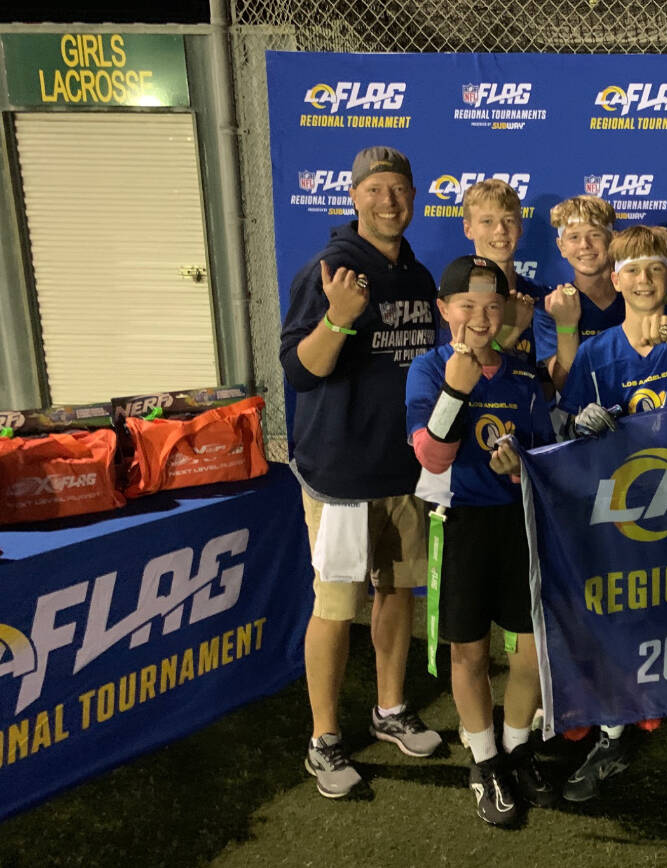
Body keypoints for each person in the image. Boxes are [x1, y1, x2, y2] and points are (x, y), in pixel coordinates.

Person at [556, 225, 667, 809]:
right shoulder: (594, 350)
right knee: (620, 619)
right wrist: (579, 425)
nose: (643, 280)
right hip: (619, 512)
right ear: (615, 280)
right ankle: (612, 735)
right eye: (632, 270)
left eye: (655, 269)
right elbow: (563, 427)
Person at [279, 146, 443, 799]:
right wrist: (340, 320)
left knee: (398, 592)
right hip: (342, 473)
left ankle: (390, 708)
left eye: (399, 188)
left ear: (413, 196)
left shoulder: (416, 273)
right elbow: (300, 371)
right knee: (338, 605)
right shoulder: (330, 269)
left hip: (404, 470)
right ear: (354, 196)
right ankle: (324, 739)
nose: (388, 201)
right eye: (375, 189)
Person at [405, 255, 557, 827]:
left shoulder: (521, 373)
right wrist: (455, 390)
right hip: (459, 522)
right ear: (444, 309)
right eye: (467, 305)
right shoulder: (428, 368)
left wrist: (520, 466)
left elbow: (543, 451)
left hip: (518, 524)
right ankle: (484, 759)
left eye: (493, 305)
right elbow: (432, 455)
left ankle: (518, 747)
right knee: (468, 652)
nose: (480, 316)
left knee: (530, 650)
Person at [533, 195, 624, 392]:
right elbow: (565, 387)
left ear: (613, 239)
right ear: (561, 246)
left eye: (595, 234)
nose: (585, 244)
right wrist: (566, 326)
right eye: (574, 237)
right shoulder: (551, 307)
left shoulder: (635, 297)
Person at [460, 178, 546, 362]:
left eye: (509, 220)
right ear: (468, 229)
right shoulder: (456, 297)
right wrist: (509, 331)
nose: (500, 230)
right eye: (487, 221)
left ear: (520, 227)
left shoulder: (542, 296)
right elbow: (460, 373)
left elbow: (549, 382)